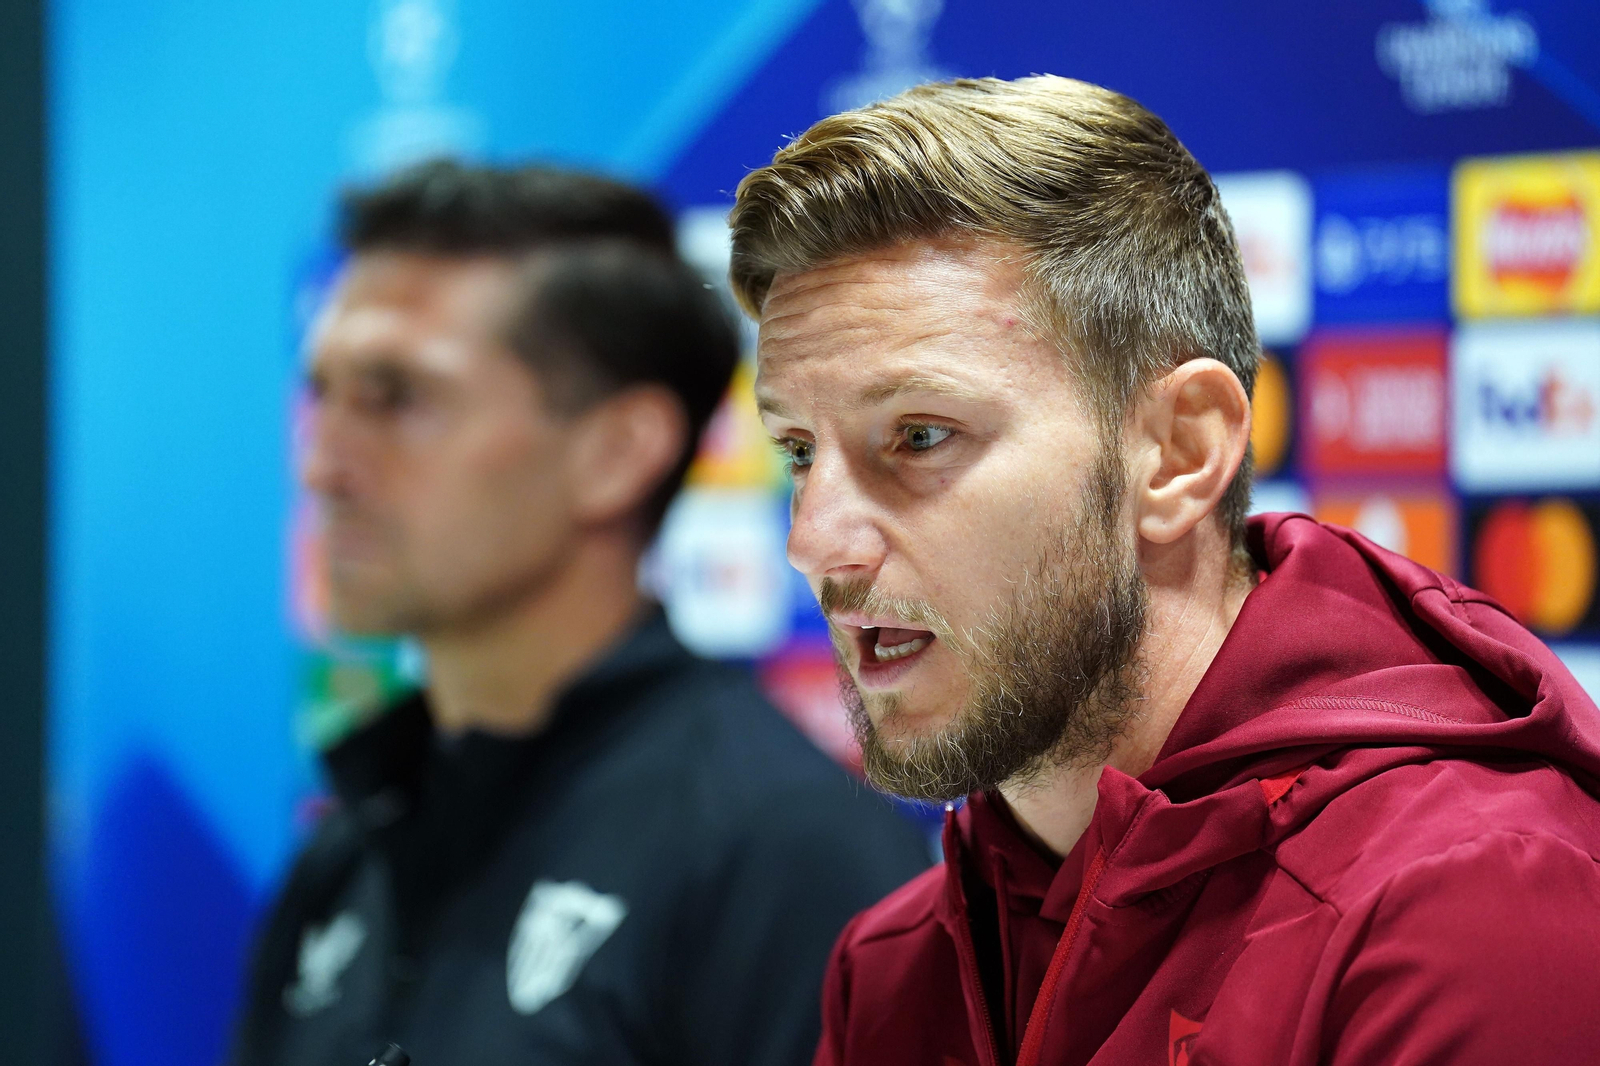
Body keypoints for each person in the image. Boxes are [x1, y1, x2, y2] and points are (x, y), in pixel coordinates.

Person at [731, 76, 1600, 1066]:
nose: (814, 541)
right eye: (800, 451)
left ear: (1179, 452)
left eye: (919, 436)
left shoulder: (1472, 917)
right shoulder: (891, 968)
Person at [229, 161, 931, 1066]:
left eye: (396, 397)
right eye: (322, 394)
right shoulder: (345, 852)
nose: (322, 465)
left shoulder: (788, 854)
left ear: (617, 452)